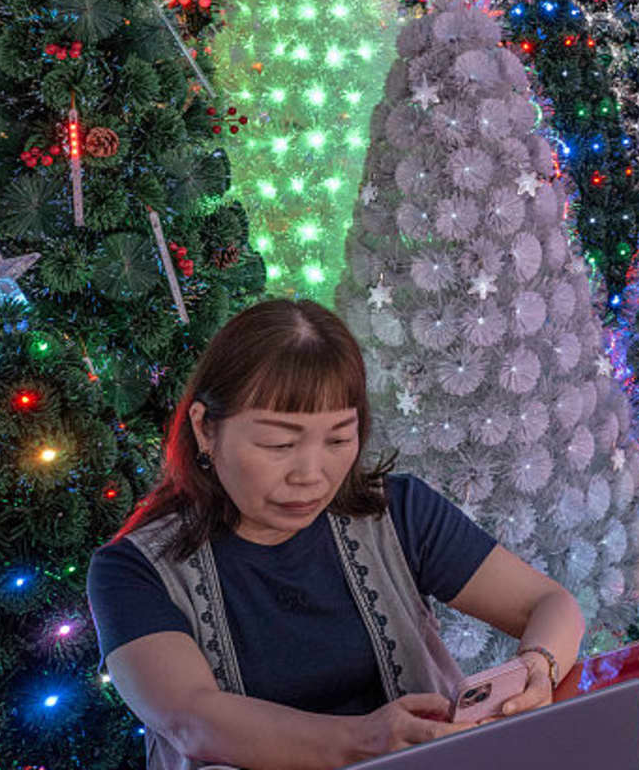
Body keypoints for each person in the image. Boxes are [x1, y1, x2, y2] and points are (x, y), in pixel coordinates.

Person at [88, 300, 589, 770]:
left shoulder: (397, 511)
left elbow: (549, 604)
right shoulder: (134, 570)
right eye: (278, 443)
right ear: (205, 428)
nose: (311, 473)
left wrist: (537, 669)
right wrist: (366, 739)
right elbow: (192, 720)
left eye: (338, 439)